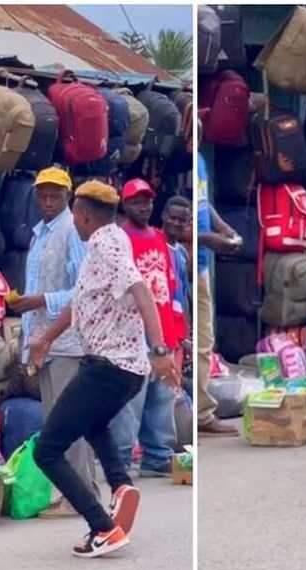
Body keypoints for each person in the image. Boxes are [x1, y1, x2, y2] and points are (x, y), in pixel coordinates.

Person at [29, 180, 182, 558]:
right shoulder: (109, 242)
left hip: (110, 367)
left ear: (83, 216)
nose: (74, 221)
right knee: (93, 424)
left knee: (47, 450)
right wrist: (46, 339)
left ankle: (103, 528)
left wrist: (161, 348)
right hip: (119, 368)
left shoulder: (105, 244)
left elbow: (141, 290)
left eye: (76, 215)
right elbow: (79, 302)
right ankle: (120, 485)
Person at [9, 167, 94, 519]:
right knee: (58, 420)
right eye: (42, 195)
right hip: (45, 341)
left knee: (67, 421)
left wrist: (40, 300)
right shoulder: (39, 234)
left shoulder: (71, 232)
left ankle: (79, 495)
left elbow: (83, 289)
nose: (47, 201)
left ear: (67, 198)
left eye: (54, 196)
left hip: (68, 342)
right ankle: (75, 491)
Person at [109, 178, 187, 477]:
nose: (144, 206)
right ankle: (122, 459)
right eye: (136, 201)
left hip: (162, 326)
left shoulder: (158, 238)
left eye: (147, 200)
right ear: (124, 204)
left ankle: (157, 455)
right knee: (132, 397)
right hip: (130, 329)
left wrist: (177, 331)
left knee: (163, 393)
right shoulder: (118, 239)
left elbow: (171, 287)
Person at [195, 120, 244, 437]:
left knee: (203, 340)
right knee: (191, 340)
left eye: (201, 132)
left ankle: (201, 412)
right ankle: (197, 414)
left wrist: (223, 228)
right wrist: (208, 239)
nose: (197, 137)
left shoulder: (199, 161)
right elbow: (171, 221)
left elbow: (203, 203)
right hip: (183, 261)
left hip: (201, 264)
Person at [162, 195, 195, 400]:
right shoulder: (154, 244)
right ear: (164, 216)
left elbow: (184, 296)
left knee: (172, 391)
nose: (175, 223)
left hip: (178, 335)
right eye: (172, 218)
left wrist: (187, 334)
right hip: (161, 333)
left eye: (181, 220)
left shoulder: (182, 253)